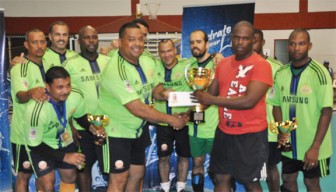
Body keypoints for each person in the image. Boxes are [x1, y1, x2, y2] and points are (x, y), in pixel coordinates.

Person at [96, 22, 188, 192]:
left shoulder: (146, 61)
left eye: (140, 39)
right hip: (116, 132)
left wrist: (164, 93)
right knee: (119, 179)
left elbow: (155, 87)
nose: (137, 44)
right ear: (120, 41)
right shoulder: (116, 70)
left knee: (137, 173)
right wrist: (172, 119)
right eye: (131, 39)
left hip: (137, 131)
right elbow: (137, 108)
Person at [193, 21, 272, 191]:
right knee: (221, 178)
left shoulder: (261, 65)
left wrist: (210, 100)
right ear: (231, 39)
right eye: (236, 38)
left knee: (250, 181)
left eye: (245, 38)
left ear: (253, 40)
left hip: (250, 135)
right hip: (224, 133)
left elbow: (248, 101)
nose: (240, 42)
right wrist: (187, 114)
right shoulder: (223, 64)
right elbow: (210, 96)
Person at [268, 28, 333, 192]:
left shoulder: (320, 73)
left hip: (311, 145)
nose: (297, 48)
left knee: (311, 183)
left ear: (309, 46)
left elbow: (326, 112)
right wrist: (281, 130)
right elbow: (276, 105)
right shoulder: (281, 72)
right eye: (293, 44)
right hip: (289, 145)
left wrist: (315, 148)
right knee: (288, 179)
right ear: (288, 46)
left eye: (301, 44)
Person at [23, 66, 104, 192]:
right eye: (60, 87)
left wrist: (92, 128)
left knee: (70, 177)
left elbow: (80, 116)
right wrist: (65, 156)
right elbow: (34, 145)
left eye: (68, 85)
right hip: (42, 146)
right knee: (47, 184)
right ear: (48, 87)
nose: (66, 91)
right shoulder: (36, 110)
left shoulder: (75, 95)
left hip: (65, 141)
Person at [63, 25, 111, 191]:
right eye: (87, 37)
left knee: (112, 167)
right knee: (83, 167)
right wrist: (70, 125)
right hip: (81, 124)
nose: (91, 41)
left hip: (108, 124)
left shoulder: (108, 61)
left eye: (94, 37)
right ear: (78, 41)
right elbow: (63, 97)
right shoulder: (69, 65)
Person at [10, 28, 50, 192]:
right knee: (23, 175)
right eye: (34, 42)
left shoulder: (50, 64)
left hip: (46, 132)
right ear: (26, 44)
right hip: (24, 134)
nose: (39, 46)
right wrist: (31, 92)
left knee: (45, 176)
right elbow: (20, 96)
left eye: (42, 42)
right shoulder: (20, 68)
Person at [152, 39, 191, 192]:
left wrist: (216, 56)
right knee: (163, 157)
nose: (166, 55)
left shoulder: (187, 66)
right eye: (162, 51)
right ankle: (165, 188)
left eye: (169, 51)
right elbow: (155, 92)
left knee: (183, 156)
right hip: (163, 123)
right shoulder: (155, 67)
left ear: (175, 50)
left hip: (183, 122)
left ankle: (181, 188)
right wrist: (163, 94)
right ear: (159, 53)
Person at [188, 29, 219, 192]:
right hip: (194, 128)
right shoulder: (189, 68)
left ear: (207, 44)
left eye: (199, 42)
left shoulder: (217, 65)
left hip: (214, 128)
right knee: (197, 163)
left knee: (219, 169)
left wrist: (217, 56)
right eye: (192, 42)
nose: (195, 45)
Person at [253, 28, 283, 192]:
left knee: (271, 167)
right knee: (250, 170)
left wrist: (284, 129)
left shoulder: (277, 68)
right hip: (249, 129)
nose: (252, 43)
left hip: (271, 129)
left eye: (256, 40)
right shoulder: (241, 66)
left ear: (263, 42)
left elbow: (284, 101)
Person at [10, 21, 78, 70]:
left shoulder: (77, 57)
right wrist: (13, 66)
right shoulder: (40, 55)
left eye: (64, 35)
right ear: (50, 36)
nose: (61, 38)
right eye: (57, 34)